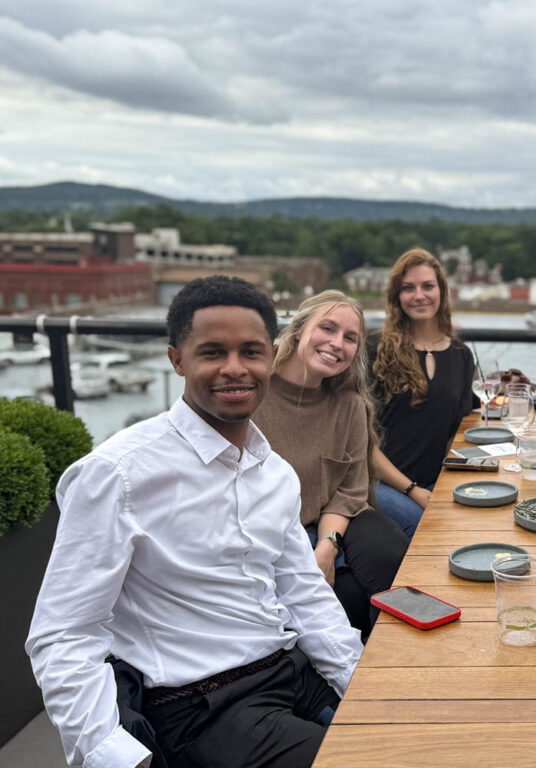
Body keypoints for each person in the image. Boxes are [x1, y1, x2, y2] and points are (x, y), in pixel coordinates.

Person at [27, 276, 363, 768]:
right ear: (177, 359)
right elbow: (64, 633)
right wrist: (111, 754)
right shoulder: (118, 475)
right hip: (205, 706)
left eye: (250, 351)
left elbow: (302, 590)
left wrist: (363, 680)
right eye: (212, 352)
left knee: (422, 736)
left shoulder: (274, 473)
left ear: (271, 356)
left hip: (292, 671)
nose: (235, 369)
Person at [252, 290, 408, 642]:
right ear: (299, 328)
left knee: (390, 553)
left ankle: (390, 660)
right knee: (346, 592)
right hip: (274, 525)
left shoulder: (349, 405)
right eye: (328, 328)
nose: (337, 344)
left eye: (350, 338)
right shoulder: (253, 394)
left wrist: (328, 544)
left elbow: (351, 489)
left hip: (333, 517)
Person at [368, 248, 474, 535]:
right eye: (408, 288)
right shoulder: (375, 350)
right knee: (426, 529)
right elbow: (361, 439)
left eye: (428, 286)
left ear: (441, 291)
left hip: (435, 482)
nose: (419, 295)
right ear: (396, 297)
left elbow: (465, 422)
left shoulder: (460, 354)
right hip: (380, 482)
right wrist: (412, 489)